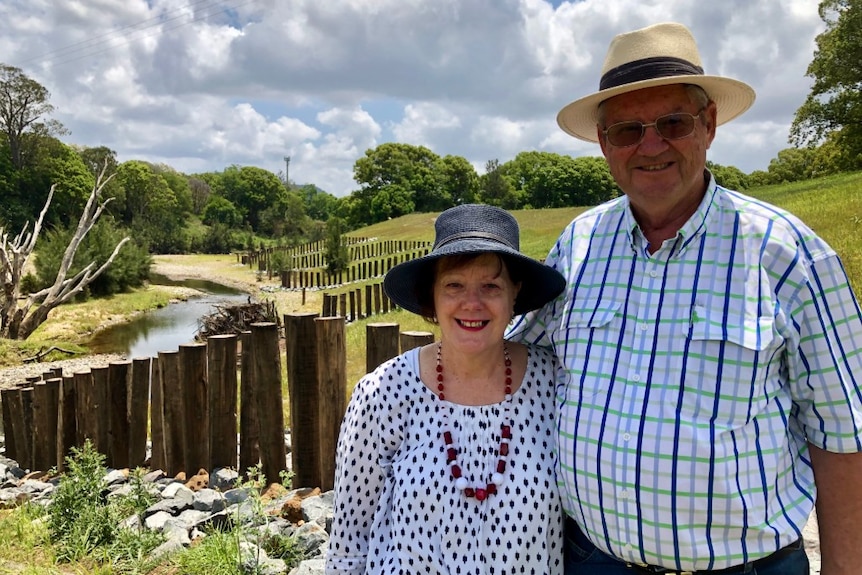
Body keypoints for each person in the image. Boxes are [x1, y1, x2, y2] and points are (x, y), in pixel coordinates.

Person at [507, 21, 862, 575]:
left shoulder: (790, 254)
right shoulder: (577, 244)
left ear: (709, 125)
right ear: (603, 144)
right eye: (627, 131)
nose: (651, 145)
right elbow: (507, 356)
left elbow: (844, 435)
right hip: (591, 560)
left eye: (672, 122)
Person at [325, 203, 567, 574]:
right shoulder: (384, 393)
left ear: (514, 293)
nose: (472, 303)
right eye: (454, 285)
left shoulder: (553, 383)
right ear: (432, 298)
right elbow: (349, 544)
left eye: (491, 285)